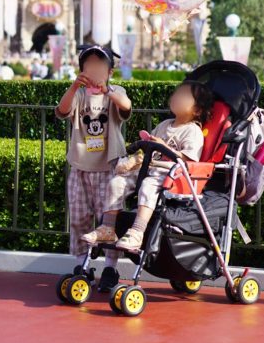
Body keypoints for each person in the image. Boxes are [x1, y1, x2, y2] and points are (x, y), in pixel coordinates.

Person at [81, 80, 213, 253]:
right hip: (149, 168)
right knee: (116, 182)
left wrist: (164, 147)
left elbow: (188, 159)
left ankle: (137, 231)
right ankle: (108, 228)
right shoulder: (165, 125)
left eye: (184, 97)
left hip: (171, 175)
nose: (176, 97)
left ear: (197, 110)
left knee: (148, 185)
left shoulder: (192, 131)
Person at [55, 44, 132, 292]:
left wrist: (107, 90)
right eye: (89, 66)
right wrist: (75, 86)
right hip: (80, 166)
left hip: (109, 167)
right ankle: (83, 266)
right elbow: (63, 110)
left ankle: (110, 267)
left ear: (110, 72)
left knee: (108, 222)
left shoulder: (115, 91)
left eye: (100, 66)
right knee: (78, 218)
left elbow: (126, 105)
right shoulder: (78, 94)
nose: (95, 71)